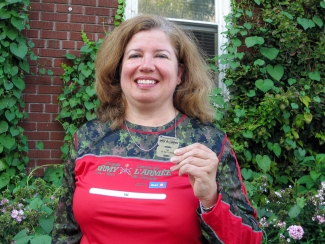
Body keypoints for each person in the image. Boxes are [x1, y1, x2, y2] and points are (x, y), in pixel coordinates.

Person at [52, 14, 262, 244]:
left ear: (180, 73)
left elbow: (249, 239)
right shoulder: (88, 139)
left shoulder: (208, 143)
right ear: (119, 68)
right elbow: (65, 233)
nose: (146, 66)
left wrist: (210, 199)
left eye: (161, 56)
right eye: (135, 55)